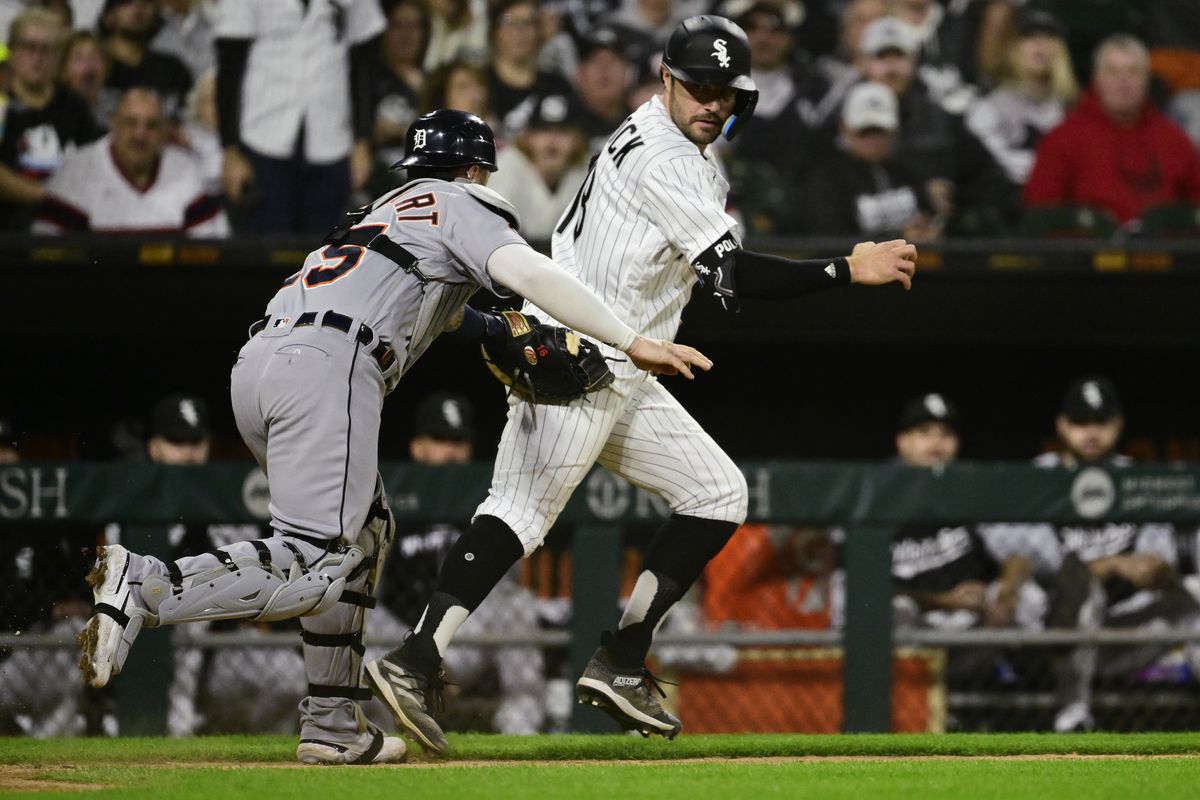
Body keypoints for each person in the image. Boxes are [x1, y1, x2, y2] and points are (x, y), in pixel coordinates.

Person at [77, 108, 709, 764]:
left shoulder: (379, 212)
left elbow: (441, 306)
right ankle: (148, 586)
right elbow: (532, 275)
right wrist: (631, 340)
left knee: (365, 536)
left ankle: (332, 722)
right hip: (331, 366)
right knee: (320, 558)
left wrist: (497, 331)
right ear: (474, 169)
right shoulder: (461, 199)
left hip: (261, 365)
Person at [365, 15, 916, 751]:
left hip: (623, 356)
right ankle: (413, 659)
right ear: (665, 79)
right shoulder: (671, 158)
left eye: (724, 90)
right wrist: (846, 268)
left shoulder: (648, 131)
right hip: (581, 353)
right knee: (521, 511)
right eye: (697, 86)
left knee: (717, 494)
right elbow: (732, 274)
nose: (711, 102)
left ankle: (621, 657)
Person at [987, 376, 1200, 732]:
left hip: (1116, 633)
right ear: (1062, 425)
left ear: (1117, 426)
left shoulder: (1137, 481)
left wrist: (1162, 574)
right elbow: (1020, 558)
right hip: (1050, 634)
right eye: (1080, 423)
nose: (1091, 432)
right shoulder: (1036, 479)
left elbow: (1158, 561)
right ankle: (1073, 716)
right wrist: (1105, 566)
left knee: (1193, 594)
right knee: (1079, 590)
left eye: (1100, 423)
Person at [369, 392, 547, 734]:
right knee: (363, 613)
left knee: (518, 603)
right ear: (417, 447)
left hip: (466, 635)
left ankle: (520, 733)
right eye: (440, 440)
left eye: (459, 442)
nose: (451, 452)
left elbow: (506, 585)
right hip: (397, 636)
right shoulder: (390, 501)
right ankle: (383, 735)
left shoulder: (492, 500)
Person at [214, 0, 383, 234]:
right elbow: (229, 67)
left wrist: (363, 141)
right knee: (265, 253)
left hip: (331, 138)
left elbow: (364, 63)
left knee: (325, 254)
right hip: (262, 136)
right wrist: (230, 149)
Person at [1024, 34, 1200, 225]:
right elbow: (1042, 210)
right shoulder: (1064, 138)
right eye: (1112, 72)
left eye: (1133, 72)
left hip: (1163, 251)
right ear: (1096, 78)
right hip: (1090, 251)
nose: (1123, 82)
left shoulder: (1172, 138)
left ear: (1147, 80)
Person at [31, 86, 228, 235]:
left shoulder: (186, 171)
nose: (139, 135)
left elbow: (212, 252)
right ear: (113, 125)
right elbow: (47, 257)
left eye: (151, 126)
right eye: (130, 123)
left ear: (164, 132)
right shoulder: (76, 172)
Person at [797, 80, 939, 240]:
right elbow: (830, 241)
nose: (873, 140)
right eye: (864, 132)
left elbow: (931, 219)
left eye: (880, 131)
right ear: (844, 128)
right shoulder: (827, 178)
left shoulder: (907, 171)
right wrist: (898, 239)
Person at [0, 8, 100, 230]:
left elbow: (94, 164)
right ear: (13, 52)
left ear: (58, 58)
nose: (38, 57)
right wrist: (49, 196)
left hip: (65, 232)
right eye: (29, 47)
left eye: (47, 49)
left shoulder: (75, 107)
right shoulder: (1, 103)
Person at [965, 9, 1077, 188]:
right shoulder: (991, 105)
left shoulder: (1073, 110)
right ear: (1013, 47)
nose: (1040, 45)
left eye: (1049, 37)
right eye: (1029, 37)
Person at [487, 94, 589, 241]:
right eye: (544, 130)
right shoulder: (506, 166)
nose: (552, 140)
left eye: (562, 131)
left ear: (577, 140)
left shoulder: (588, 172)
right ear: (528, 137)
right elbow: (492, 233)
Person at [97, 0, 193, 123]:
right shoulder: (94, 67)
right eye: (127, 3)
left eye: (147, 2)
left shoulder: (173, 69)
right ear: (108, 16)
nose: (138, 8)